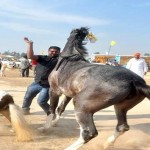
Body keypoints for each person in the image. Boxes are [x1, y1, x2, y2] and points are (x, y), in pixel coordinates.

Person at [22, 37, 60, 115]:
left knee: (41, 102)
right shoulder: (42, 58)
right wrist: (30, 44)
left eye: (56, 51)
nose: (53, 52)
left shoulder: (60, 61)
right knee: (27, 97)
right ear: (48, 51)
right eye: (52, 51)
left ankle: (51, 115)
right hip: (36, 83)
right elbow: (30, 56)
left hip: (48, 86)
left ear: (59, 52)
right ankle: (25, 110)